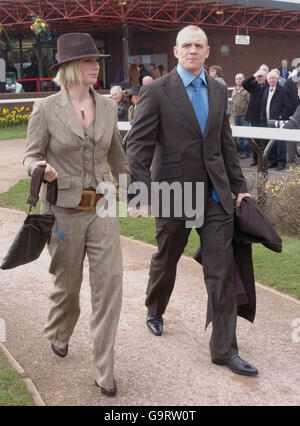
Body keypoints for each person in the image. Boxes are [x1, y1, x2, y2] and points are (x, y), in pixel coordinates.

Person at [126, 25, 258, 377]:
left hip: (216, 196)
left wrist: (239, 186)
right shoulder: (155, 90)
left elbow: (224, 142)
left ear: (208, 51)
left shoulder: (218, 89)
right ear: (175, 51)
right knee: (166, 258)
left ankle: (225, 350)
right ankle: (155, 308)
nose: (192, 50)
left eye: (198, 45)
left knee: (222, 271)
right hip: (175, 194)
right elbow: (136, 146)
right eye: (186, 45)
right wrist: (139, 191)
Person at [23, 32, 130, 396]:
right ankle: (60, 330)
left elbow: (117, 156)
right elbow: (30, 155)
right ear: (68, 67)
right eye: (87, 61)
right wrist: (41, 167)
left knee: (109, 286)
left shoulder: (110, 107)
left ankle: (105, 370)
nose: (95, 67)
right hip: (63, 213)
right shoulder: (45, 109)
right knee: (67, 288)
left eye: (96, 61)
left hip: (102, 208)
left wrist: (134, 191)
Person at [260, 70, 291, 170]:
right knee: (270, 142)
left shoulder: (283, 90)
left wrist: (281, 116)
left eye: (273, 78)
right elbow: (263, 105)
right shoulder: (265, 90)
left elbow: (288, 106)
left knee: (280, 142)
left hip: (278, 122)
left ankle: (281, 162)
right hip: (268, 121)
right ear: (267, 80)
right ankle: (272, 161)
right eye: (269, 78)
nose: (271, 80)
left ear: (277, 79)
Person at [242, 69, 268, 166]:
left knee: (265, 138)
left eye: (261, 76)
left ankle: (266, 160)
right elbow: (244, 83)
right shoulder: (253, 86)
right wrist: (254, 75)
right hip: (254, 116)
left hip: (264, 116)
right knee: (255, 139)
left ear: (265, 77)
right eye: (258, 76)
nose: (260, 78)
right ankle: (256, 160)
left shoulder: (268, 86)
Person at [231, 73, 250, 158]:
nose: (238, 80)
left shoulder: (247, 89)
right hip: (236, 115)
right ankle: (241, 151)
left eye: (240, 78)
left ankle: (246, 152)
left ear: (244, 79)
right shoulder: (234, 89)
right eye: (237, 79)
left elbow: (249, 103)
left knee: (245, 134)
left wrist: (246, 113)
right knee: (238, 136)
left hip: (244, 115)